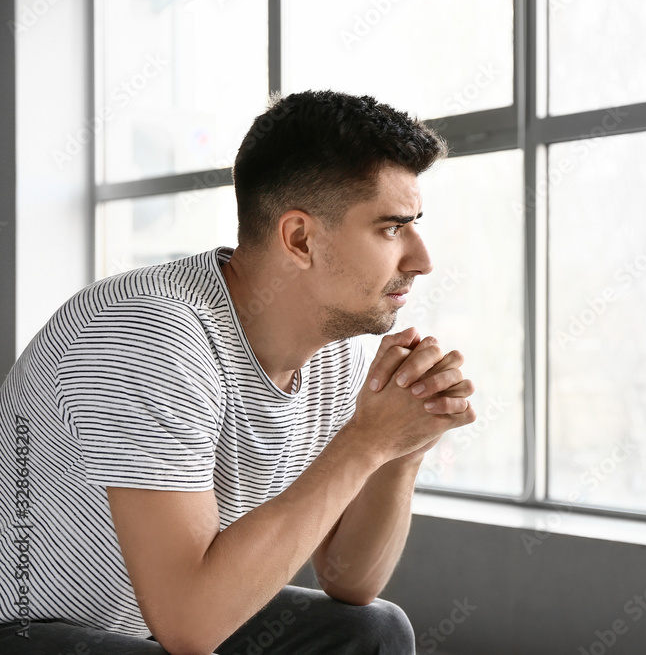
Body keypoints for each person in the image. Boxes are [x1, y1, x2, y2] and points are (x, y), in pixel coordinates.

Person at [0, 90, 475, 654]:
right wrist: (366, 441)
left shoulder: (334, 350)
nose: (422, 260)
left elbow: (350, 581)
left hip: (161, 616)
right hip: (24, 626)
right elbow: (189, 627)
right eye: (391, 228)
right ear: (300, 239)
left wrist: (401, 448)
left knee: (373, 630)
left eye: (414, 225)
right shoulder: (152, 333)